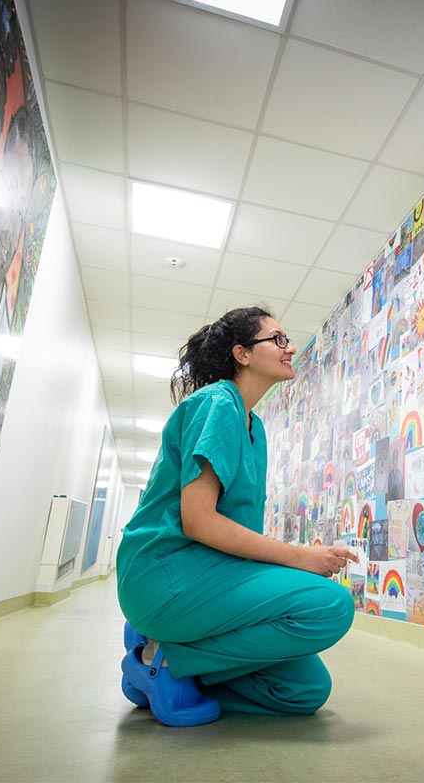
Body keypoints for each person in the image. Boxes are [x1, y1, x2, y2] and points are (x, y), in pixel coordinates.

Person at [115, 307, 358, 727]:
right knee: (331, 606)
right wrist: (299, 558)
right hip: (164, 574)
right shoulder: (218, 403)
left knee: (306, 690)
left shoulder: (255, 427)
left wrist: (294, 560)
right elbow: (198, 521)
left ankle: (164, 665)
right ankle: (164, 658)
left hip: (208, 577)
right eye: (278, 339)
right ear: (242, 353)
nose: (291, 348)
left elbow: (236, 532)